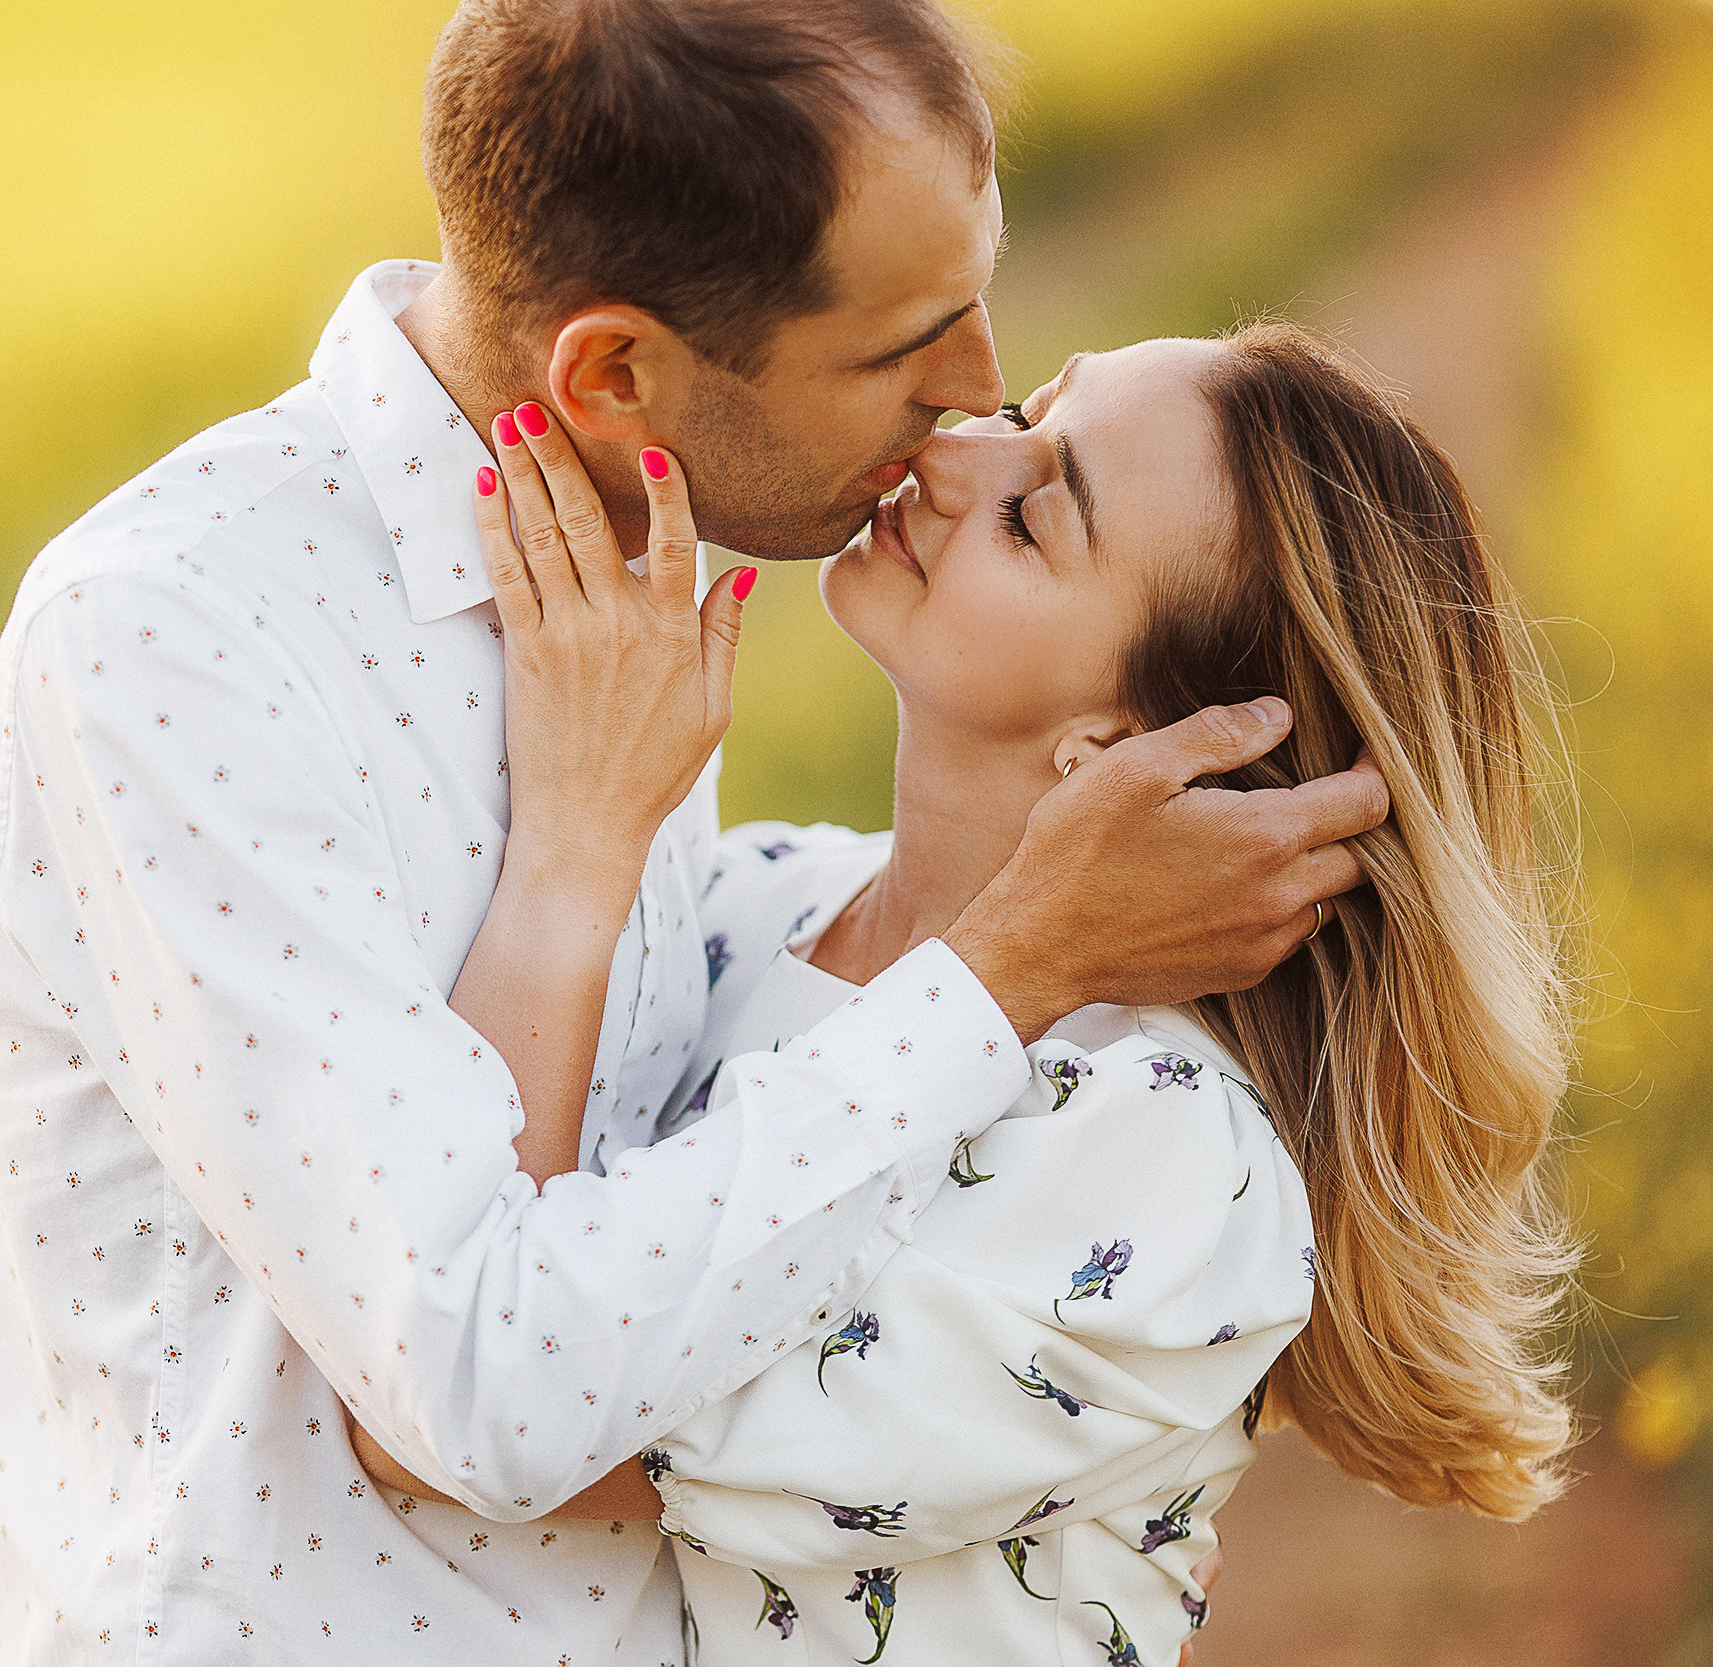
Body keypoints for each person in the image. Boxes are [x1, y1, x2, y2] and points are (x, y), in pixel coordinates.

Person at [0, 1, 1388, 1657]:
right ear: (614, 375)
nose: (974, 397)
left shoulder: (628, 571)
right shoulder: (188, 644)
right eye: (898, 348)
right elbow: (472, 1378)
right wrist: (1015, 957)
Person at [353, 325, 1575, 1664]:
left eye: (1035, 515)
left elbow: (476, 1419)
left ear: (1129, 748)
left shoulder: (1158, 1149)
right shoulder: (759, 906)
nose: (950, 455)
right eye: (1033, 409)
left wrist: (576, 843)